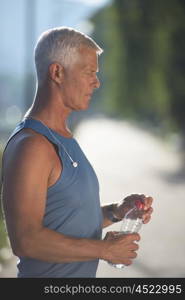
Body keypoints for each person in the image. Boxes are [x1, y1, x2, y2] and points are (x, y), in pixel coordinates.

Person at [1, 27, 153, 278]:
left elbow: (65, 219)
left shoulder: (63, 138)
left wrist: (116, 211)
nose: (96, 81)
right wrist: (105, 249)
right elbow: (26, 240)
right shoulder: (33, 145)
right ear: (57, 72)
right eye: (89, 72)